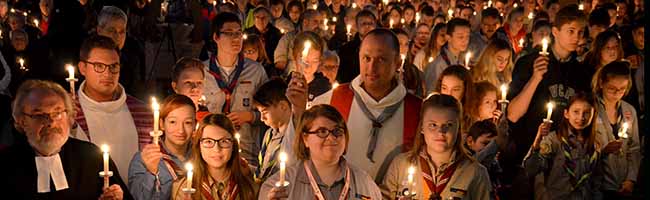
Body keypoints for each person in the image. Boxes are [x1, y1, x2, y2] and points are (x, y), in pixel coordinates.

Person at [312, 29, 422, 182]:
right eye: (366, 58)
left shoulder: (417, 111)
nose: (371, 67)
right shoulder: (329, 103)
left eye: (381, 59)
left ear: (398, 63)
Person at [0, 80, 132, 199]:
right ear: (22, 121)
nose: (51, 122)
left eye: (57, 113)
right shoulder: (6, 165)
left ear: (69, 116)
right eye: (39, 115)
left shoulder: (92, 156)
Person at [507, 5, 592, 170]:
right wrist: (535, 78)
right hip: (528, 151)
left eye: (580, 32)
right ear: (555, 31)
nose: (577, 37)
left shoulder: (582, 72)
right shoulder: (528, 63)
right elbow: (513, 114)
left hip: (565, 158)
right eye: (571, 31)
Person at [72, 35, 153, 182]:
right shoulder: (68, 112)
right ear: (82, 68)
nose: (107, 74)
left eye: (113, 67)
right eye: (99, 66)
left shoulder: (143, 113)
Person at [381, 94, 492, 200]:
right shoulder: (400, 165)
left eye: (448, 125)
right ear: (422, 127)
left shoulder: (475, 173)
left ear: (458, 129)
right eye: (433, 125)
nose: (440, 132)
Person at [260, 105, 382, 200]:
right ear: (305, 138)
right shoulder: (276, 187)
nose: (331, 138)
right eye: (322, 131)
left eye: (337, 131)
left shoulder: (364, 182)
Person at [203, 12, 269, 168]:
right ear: (216, 37)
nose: (236, 38)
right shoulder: (202, 72)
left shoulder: (256, 71)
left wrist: (250, 116)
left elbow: (271, 112)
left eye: (239, 33)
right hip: (212, 153)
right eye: (229, 33)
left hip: (246, 153)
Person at [171, 114, 258, 199]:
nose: (217, 149)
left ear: (233, 145)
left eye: (224, 141)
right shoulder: (183, 189)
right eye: (208, 141)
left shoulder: (250, 185)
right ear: (199, 146)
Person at [128, 94, 196, 200]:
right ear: (162, 124)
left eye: (188, 122)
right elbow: (138, 197)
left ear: (195, 125)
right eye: (173, 122)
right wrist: (151, 172)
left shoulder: (203, 156)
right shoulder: (143, 159)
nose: (181, 130)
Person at [591, 61, 640, 199]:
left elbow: (634, 149)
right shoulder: (590, 109)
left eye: (622, 89)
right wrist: (603, 151)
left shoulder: (629, 111)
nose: (617, 93)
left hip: (623, 186)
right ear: (601, 83)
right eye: (612, 88)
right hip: (597, 186)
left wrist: (631, 180)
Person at [252, 78, 305, 183]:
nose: (262, 118)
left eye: (265, 112)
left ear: (283, 106)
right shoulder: (269, 133)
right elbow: (265, 170)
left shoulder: (296, 134)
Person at [96, 6, 146, 99]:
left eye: (122, 31)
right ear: (99, 30)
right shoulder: (88, 56)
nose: (117, 36)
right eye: (112, 31)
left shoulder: (132, 58)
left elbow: (136, 92)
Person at [424, 18, 471, 94]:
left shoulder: (462, 60)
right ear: (448, 37)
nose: (465, 41)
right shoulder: (438, 65)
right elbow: (431, 95)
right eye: (460, 37)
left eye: (467, 37)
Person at [273, 9, 324, 75]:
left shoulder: (321, 41)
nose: (319, 25)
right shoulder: (288, 38)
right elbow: (279, 63)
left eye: (320, 22)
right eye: (315, 21)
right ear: (305, 22)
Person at [336, 10, 377, 83]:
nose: (367, 26)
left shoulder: (382, 47)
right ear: (357, 26)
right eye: (363, 24)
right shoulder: (346, 49)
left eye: (370, 23)